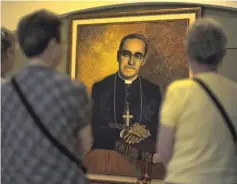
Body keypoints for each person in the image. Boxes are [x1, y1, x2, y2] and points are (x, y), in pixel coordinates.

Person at [1, 9, 92, 184]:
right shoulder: (72, 89)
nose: (64, 47)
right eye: (62, 42)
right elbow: (86, 144)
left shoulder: (5, 90)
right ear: (52, 45)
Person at [157, 18, 237, 184]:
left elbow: (164, 150)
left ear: (188, 52)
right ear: (221, 53)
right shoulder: (234, 92)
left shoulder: (178, 91)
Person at [87, 33, 162, 178]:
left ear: (144, 61)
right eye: (126, 54)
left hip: (142, 163)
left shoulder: (152, 90)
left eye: (137, 56)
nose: (131, 62)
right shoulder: (101, 87)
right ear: (118, 56)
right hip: (108, 160)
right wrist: (123, 133)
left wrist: (145, 131)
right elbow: (95, 128)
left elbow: (160, 126)